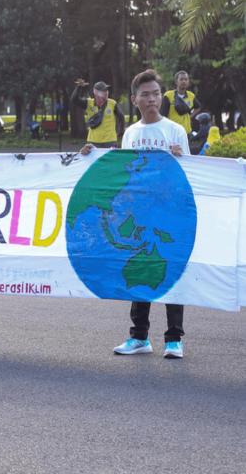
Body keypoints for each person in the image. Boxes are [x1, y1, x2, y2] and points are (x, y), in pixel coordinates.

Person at [81, 69, 190, 359]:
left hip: (168, 215)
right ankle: (139, 337)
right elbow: (123, 171)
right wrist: (91, 155)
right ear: (134, 99)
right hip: (139, 218)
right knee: (140, 272)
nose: (152, 98)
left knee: (170, 274)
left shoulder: (174, 131)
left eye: (156, 93)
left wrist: (181, 158)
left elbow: (191, 174)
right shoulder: (131, 133)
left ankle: (174, 340)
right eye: (146, 94)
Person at [71, 78, 125, 147]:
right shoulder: (89, 103)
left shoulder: (112, 103)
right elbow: (74, 100)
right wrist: (79, 87)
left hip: (110, 141)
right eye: (103, 90)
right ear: (96, 93)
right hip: (93, 141)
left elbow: (121, 117)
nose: (106, 92)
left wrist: (120, 131)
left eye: (106, 90)